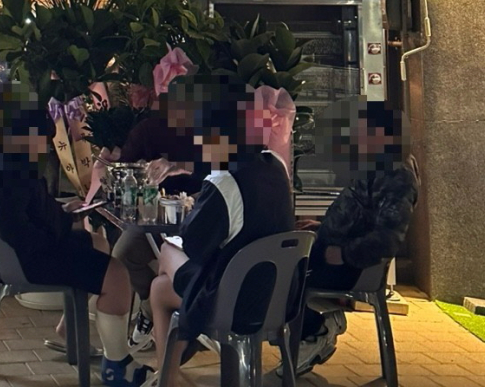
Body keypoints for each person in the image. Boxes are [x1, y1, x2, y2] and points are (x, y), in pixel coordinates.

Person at [0, 83, 152, 387]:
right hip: (31, 258)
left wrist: (60, 212)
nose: (46, 143)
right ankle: (118, 365)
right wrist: (60, 225)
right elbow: (15, 229)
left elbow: (26, 212)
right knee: (117, 275)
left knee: (98, 243)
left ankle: (70, 329)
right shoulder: (12, 173)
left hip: (20, 255)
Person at [148, 76, 294, 387]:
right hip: (278, 297)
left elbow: (195, 246)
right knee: (162, 285)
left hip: (234, 301)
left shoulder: (225, 182)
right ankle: (172, 367)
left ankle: (167, 377)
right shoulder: (276, 166)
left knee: (165, 260)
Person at [289, 99, 419, 376]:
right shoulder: (377, 165)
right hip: (333, 252)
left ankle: (315, 330)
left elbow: (388, 238)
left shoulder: (396, 175)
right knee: (281, 266)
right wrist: (321, 227)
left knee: (281, 277)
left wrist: (343, 254)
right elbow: (360, 215)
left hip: (350, 267)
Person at [110, 82, 207, 351]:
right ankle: (149, 306)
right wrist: (141, 172)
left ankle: (180, 326)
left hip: (199, 217)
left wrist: (181, 166)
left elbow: (216, 171)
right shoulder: (148, 130)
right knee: (123, 254)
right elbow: (125, 167)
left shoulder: (208, 134)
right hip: (152, 214)